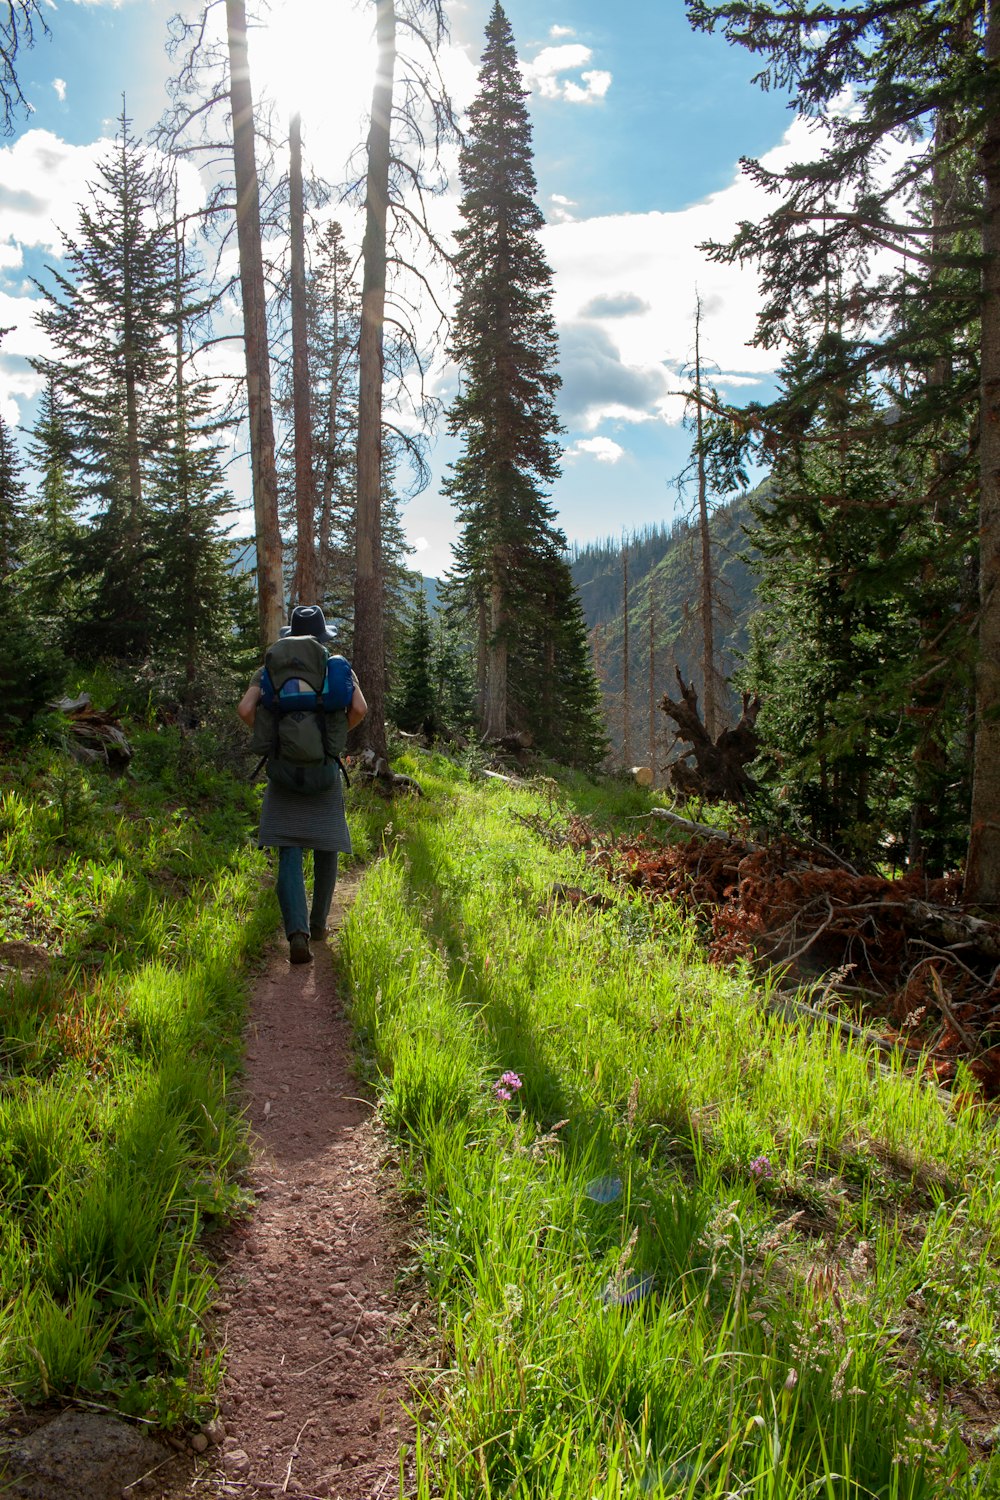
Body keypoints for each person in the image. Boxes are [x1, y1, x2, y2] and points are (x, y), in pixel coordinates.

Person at [238, 604, 367, 965]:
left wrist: (276, 738)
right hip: (324, 771)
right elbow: (360, 709)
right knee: (327, 844)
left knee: (289, 849)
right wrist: (331, 741)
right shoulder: (336, 666)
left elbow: (246, 711)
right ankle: (320, 924)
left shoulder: (268, 669)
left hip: (283, 773)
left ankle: (297, 932)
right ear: (322, 637)